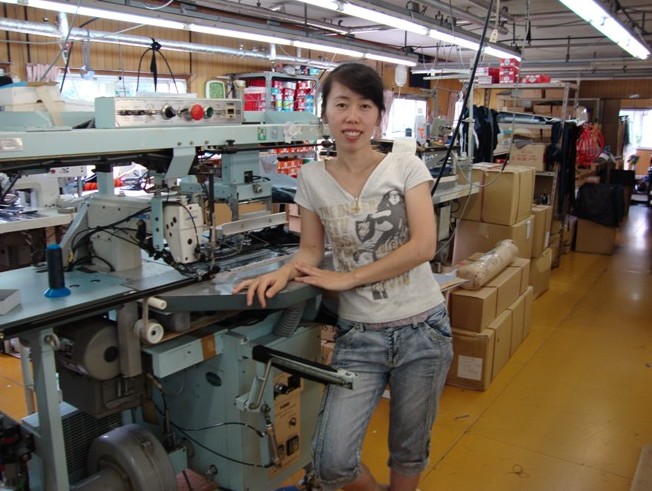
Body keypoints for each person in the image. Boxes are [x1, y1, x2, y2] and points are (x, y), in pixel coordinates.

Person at [233, 62, 453, 491]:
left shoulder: (405, 167)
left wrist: (349, 279)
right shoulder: (312, 177)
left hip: (423, 329)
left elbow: (424, 246)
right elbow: (311, 250)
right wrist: (283, 272)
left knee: (409, 449)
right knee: (331, 462)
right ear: (325, 112)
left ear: (379, 116)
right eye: (342, 104)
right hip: (360, 336)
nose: (353, 117)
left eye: (365, 106)